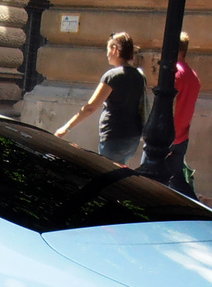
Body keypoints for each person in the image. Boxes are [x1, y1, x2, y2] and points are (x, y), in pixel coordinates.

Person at [55, 31, 146, 166]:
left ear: (115, 49)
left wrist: (67, 128)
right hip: (132, 137)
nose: (107, 54)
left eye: (108, 49)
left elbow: (90, 107)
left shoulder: (112, 76)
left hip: (114, 135)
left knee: (107, 172)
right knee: (118, 170)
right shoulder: (138, 76)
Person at [167, 32, 202, 197]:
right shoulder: (192, 75)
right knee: (177, 181)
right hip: (182, 135)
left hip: (168, 136)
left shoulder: (175, 73)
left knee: (150, 179)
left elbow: (169, 105)